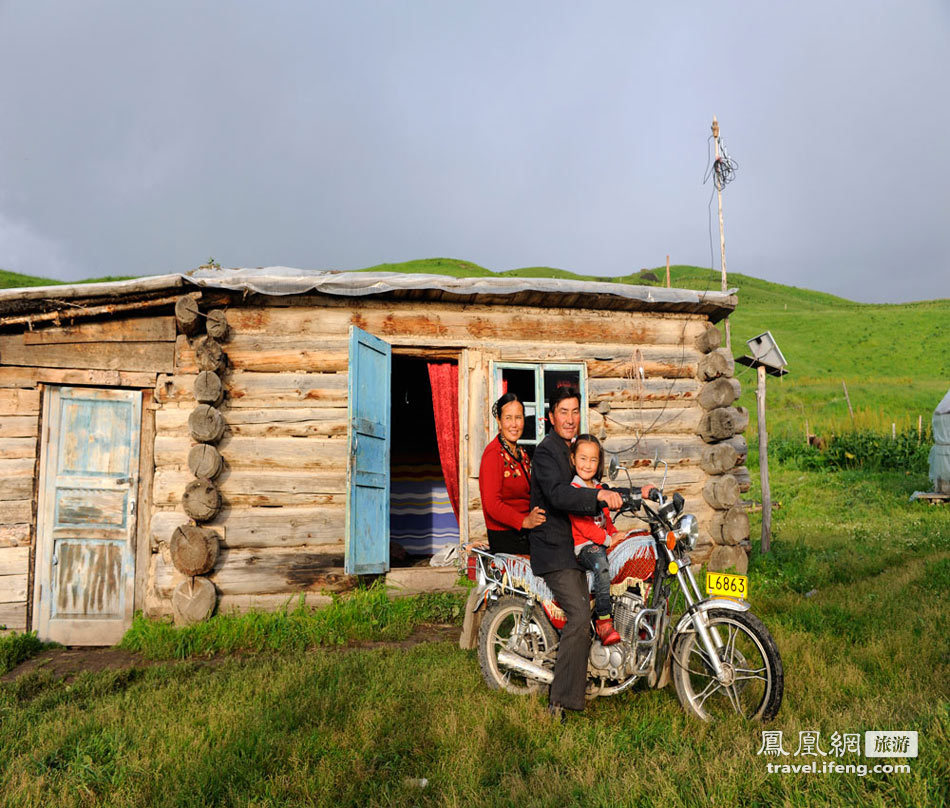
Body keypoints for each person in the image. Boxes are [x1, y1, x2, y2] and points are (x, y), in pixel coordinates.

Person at [528, 386, 623, 719]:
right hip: (556, 551)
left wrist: (634, 492)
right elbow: (558, 495)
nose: (569, 419)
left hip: (578, 547)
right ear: (551, 417)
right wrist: (597, 499)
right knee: (581, 616)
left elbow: (595, 485)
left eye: (575, 411)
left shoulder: (576, 450)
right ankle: (560, 700)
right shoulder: (545, 453)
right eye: (563, 412)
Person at [569, 434, 621, 647]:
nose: (588, 465)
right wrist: (609, 540)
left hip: (601, 540)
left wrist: (617, 535)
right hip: (584, 546)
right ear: (573, 459)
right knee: (602, 567)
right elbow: (584, 526)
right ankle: (604, 621)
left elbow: (606, 519)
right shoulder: (573, 491)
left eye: (593, 460)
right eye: (583, 458)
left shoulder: (600, 488)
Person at [478, 392, 546, 554]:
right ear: (499, 421)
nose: (514, 424)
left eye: (519, 417)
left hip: (526, 531)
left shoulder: (521, 453)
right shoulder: (493, 454)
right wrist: (523, 521)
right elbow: (492, 505)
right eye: (508, 418)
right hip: (507, 536)